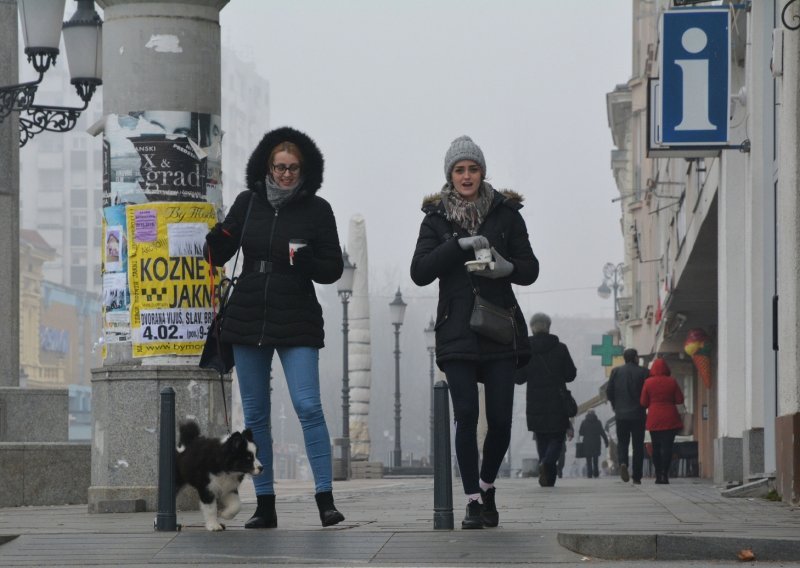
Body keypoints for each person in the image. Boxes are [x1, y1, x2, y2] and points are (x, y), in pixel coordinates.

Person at [204, 126, 345, 528]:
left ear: (305, 170)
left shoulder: (318, 210)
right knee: (257, 414)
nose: (285, 175)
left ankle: (325, 498)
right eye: (279, 167)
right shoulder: (249, 202)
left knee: (308, 406)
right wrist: (213, 238)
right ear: (267, 166)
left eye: (293, 168)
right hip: (247, 315)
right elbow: (220, 250)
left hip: (297, 313)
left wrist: (306, 261)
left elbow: (333, 269)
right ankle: (265, 505)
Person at [410, 135, 539, 529]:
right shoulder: (435, 220)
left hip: (500, 327)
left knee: (500, 419)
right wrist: (457, 245)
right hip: (456, 330)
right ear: (450, 175)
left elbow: (531, 269)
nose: (467, 176)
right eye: (459, 169)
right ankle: (471, 500)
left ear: (483, 172)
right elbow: (419, 272)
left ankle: (487, 484)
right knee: (465, 415)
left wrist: (507, 267)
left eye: (473, 168)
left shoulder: (507, 215)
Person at [518, 313, 577, 487]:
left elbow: (519, 377)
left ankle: (547, 477)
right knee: (557, 438)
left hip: (535, 402)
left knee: (542, 437)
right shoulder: (560, 348)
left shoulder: (526, 349)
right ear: (548, 326)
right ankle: (547, 464)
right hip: (557, 400)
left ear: (532, 327)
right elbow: (570, 374)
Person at [606, 348, 648, 485]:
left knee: (622, 442)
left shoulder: (616, 371)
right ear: (635, 358)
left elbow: (609, 391)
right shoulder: (644, 372)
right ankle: (637, 476)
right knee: (638, 446)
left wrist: (615, 405)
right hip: (638, 414)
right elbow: (648, 392)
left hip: (621, 415)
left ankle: (623, 463)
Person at [640, 357, 684, 484]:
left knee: (656, 447)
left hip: (654, 418)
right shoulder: (672, 381)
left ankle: (658, 474)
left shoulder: (648, 383)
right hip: (670, 418)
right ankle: (665, 474)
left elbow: (643, 402)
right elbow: (680, 399)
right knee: (668, 447)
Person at [578, 410, 608, 478]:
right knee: (595, 460)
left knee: (588, 460)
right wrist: (606, 442)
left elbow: (581, 433)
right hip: (596, 443)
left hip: (587, 443)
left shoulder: (584, 422)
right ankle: (596, 473)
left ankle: (589, 474)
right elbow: (602, 433)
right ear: (595, 414)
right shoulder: (598, 422)